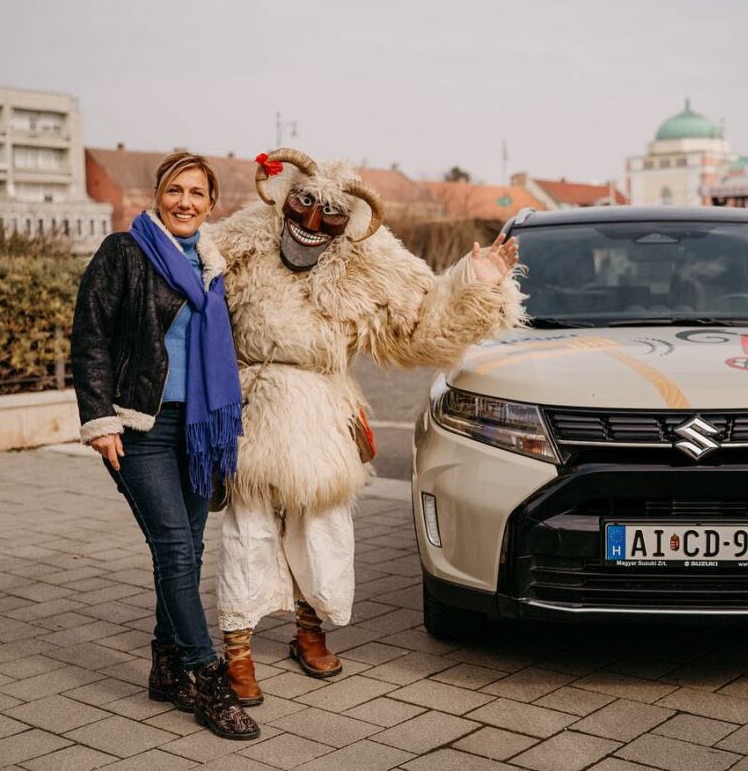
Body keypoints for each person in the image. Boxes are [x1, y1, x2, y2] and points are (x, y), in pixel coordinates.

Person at [206, 148, 523, 701]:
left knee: (322, 528)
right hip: (250, 407)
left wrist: (474, 280)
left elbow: (420, 323)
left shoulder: (365, 261)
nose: (312, 222)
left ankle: (310, 631)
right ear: (285, 199)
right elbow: (189, 270)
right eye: (304, 205)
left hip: (322, 412)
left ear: (348, 221)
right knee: (247, 531)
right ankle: (237, 650)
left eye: (329, 214)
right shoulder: (244, 239)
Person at [71, 152, 260, 741]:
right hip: (140, 425)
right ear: (158, 195)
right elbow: (90, 335)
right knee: (176, 548)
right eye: (176, 190)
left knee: (188, 550)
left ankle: (166, 665)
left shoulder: (211, 264)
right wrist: (99, 419)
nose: (185, 202)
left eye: (197, 193)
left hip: (197, 429)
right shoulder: (125, 253)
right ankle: (207, 677)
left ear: (211, 203)